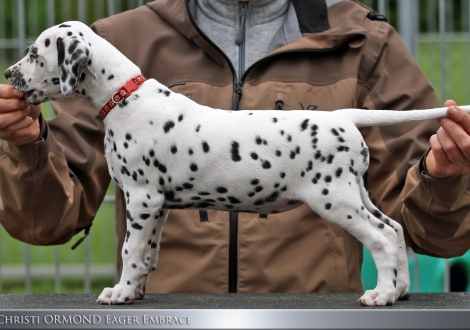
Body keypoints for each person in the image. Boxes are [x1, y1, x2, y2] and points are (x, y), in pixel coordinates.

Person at [1, 0, 470, 295]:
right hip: (170, 316)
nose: (21, 69)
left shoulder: (365, 42)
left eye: (36, 58)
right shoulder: (117, 44)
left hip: (314, 313)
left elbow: (436, 231)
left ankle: (395, 282)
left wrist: (445, 174)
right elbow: (50, 217)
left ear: (69, 64)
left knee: (357, 212)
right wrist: (27, 147)